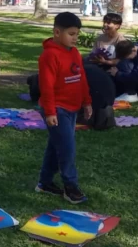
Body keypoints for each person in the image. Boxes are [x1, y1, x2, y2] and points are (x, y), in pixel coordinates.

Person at [36, 12, 92, 204]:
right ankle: (70, 187)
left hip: (72, 108)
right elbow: (47, 86)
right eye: (71, 34)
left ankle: (44, 183)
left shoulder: (74, 53)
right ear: (57, 32)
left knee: (56, 146)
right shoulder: (49, 55)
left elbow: (81, 78)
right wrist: (50, 112)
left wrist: (87, 102)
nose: (75, 38)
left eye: (77, 34)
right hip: (57, 109)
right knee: (67, 149)